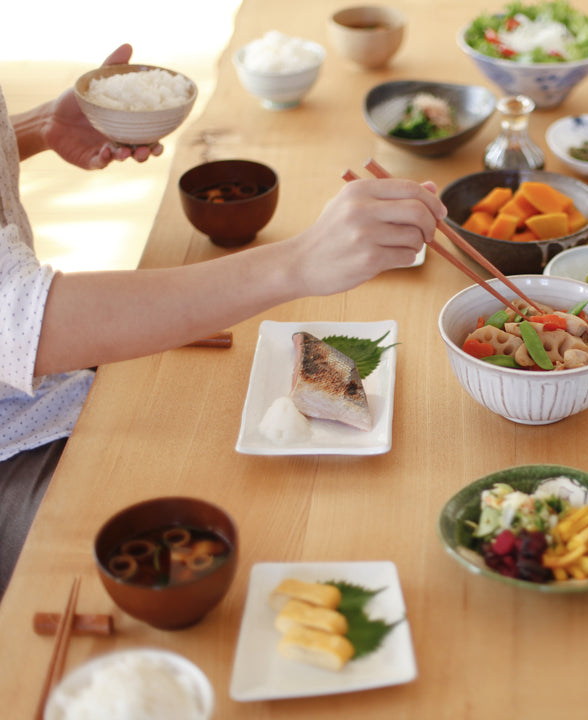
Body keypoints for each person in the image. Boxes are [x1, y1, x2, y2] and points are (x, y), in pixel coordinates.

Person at [0, 45, 446, 596]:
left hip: (47, 384)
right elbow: (22, 325)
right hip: (18, 438)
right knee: (269, 534)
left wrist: (35, 127)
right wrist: (298, 262)